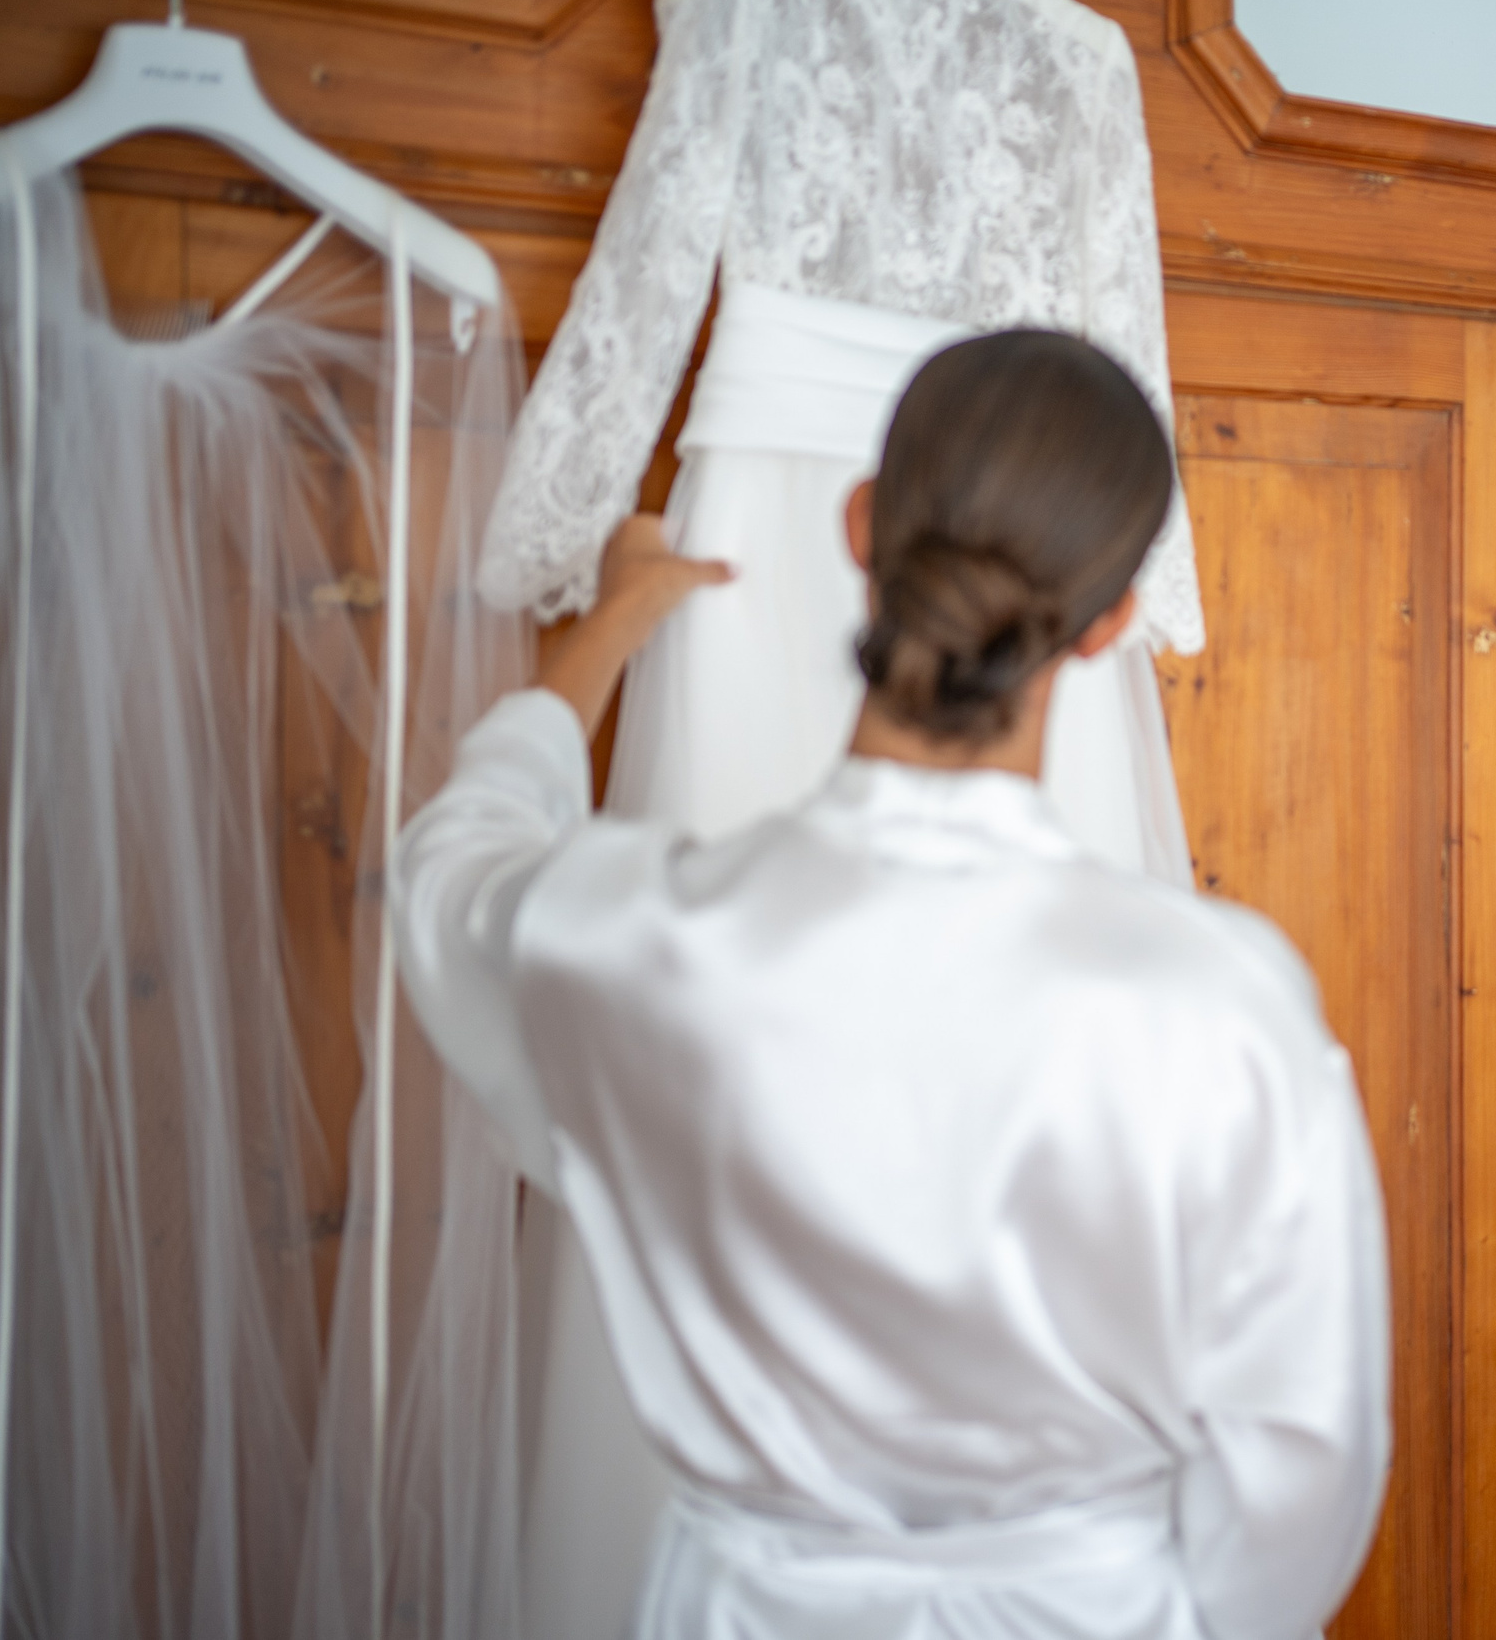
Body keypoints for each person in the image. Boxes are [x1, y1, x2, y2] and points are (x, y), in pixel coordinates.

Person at [391, 330, 1391, 1640]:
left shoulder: (631, 937)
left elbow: (451, 866)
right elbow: (1303, 1452)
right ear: (1108, 624)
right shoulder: (1225, 1002)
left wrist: (616, 622)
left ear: (858, 529)